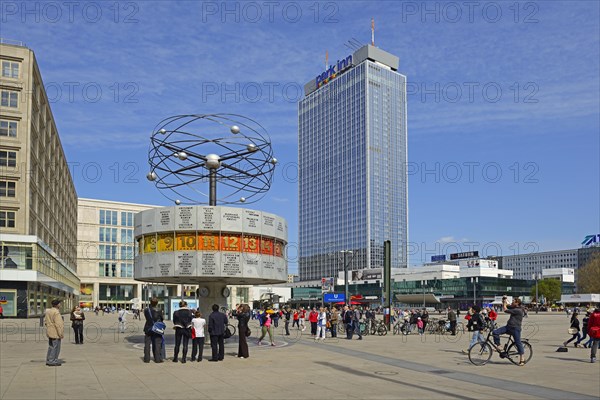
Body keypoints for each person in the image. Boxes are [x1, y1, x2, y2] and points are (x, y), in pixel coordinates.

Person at [493, 297, 525, 366]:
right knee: (495, 332)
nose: (512, 302)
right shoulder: (514, 307)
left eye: (514, 301)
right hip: (508, 327)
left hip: (515, 329)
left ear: (517, 303)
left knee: (517, 342)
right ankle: (499, 346)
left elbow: (505, 309)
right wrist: (504, 300)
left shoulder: (518, 310)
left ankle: (522, 358)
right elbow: (506, 305)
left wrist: (505, 304)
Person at [143, 297, 164, 363]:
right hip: (157, 328)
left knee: (147, 344)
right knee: (157, 344)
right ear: (157, 303)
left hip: (148, 328)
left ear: (150, 302)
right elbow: (161, 319)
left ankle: (147, 359)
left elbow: (147, 318)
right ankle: (157, 359)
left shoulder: (146, 310)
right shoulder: (159, 310)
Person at [44, 299, 64, 366]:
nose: (60, 305)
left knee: (51, 346)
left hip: (50, 331)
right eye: (59, 304)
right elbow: (58, 324)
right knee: (56, 347)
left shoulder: (48, 311)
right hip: (55, 332)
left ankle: (49, 359)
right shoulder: (56, 312)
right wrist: (60, 333)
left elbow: (45, 322)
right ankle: (52, 360)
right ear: (57, 305)